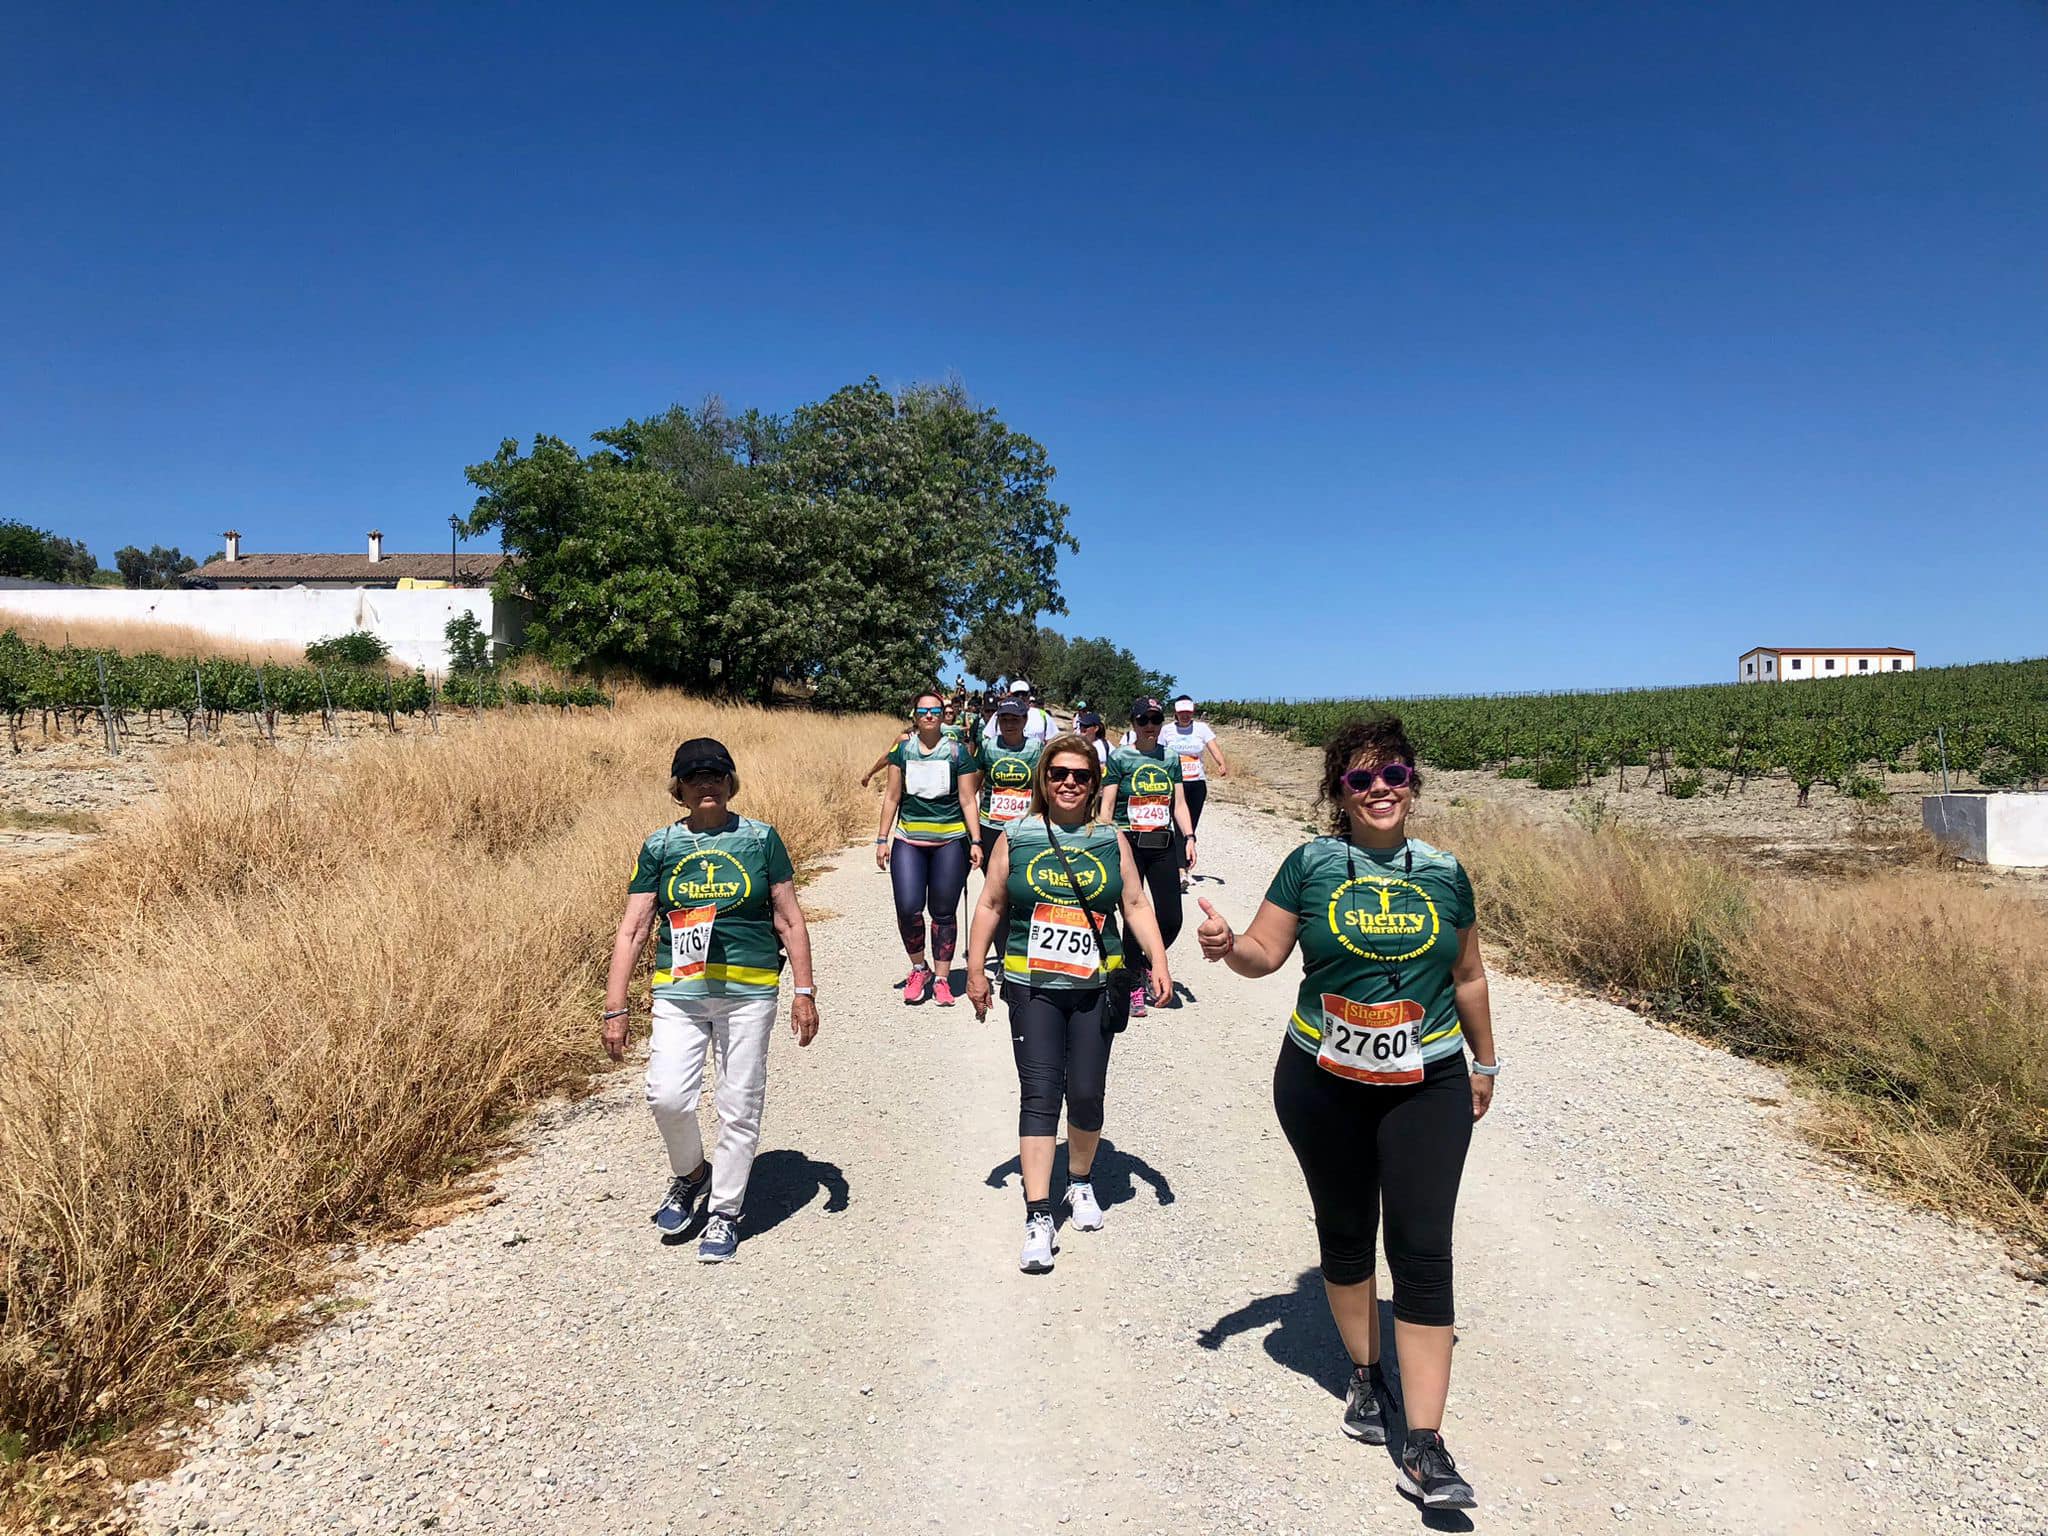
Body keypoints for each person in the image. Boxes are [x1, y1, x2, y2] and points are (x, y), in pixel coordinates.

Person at [1193, 715, 1497, 1512]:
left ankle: (1425, 1447)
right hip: (1321, 1078)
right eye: (1361, 778)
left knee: (1424, 1247)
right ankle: (1366, 1376)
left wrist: (1484, 1060)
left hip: (1427, 1080)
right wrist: (1229, 948)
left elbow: (1467, 975)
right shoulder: (1312, 865)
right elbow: (1265, 953)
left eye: (1393, 773)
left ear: (1412, 782)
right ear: (1340, 792)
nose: (1380, 789)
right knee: (1347, 1229)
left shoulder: (1444, 872)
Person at [603, 737, 821, 1264]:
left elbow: (789, 918)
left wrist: (805, 991)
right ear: (678, 789)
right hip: (678, 990)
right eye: (694, 776)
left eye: (716, 774)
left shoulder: (761, 839)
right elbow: (634, 928)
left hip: (749, 991)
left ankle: (724, 1210)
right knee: (667, 1097)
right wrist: (615, 1006)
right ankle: (691, 1173)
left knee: (737, 1103)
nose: (707, 783)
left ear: (730, 782)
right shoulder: (660, 846)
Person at [965, 735, 1172, 1273]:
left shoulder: (1112, 840)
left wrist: (1159, 960)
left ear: (1094, 781)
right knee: (1039, 1091)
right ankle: (1038, 1214)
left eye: (1081, 775)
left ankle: (1078, 1180)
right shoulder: (1017, 836)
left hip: (1094, 985)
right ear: (1043, 777)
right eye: (1059, 773)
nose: (1069, 783)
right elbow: (990, 902)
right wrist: (973, 968)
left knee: (1085, 1093)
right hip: (1030, 983)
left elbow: (1133, 902)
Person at [876, 691, 983, 1006]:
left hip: (950, 841)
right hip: (909, 841)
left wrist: (975, 840)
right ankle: (918, 968)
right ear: (914, 714)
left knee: (943, 912)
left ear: (942, 713)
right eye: (923, 710)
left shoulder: (957, 752)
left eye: (935, 709)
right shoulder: (902, 751)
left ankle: (942, 978)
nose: (929, 715)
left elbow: (967, 799)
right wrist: (882, 839)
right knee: (908, 908)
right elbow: (892, 797)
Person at [1099, 696, 1196, 1018]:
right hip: (1129, 842)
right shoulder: (1121, 758)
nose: (1150, 726)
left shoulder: (1170, 758)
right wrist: (1104, 837)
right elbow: (1108, 805)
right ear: (1134, 724)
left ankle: (1140, 964)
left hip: (1163, 841)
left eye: (1156, 720)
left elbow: (1179, 803)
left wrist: (1190, 838)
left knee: (1171, 917)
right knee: (1132, 912)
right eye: (1144, 721)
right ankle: (1133, 984)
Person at [977, 697, 1044, 868]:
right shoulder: (987, 747)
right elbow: (970, 789)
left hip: (1026, 825)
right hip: (991, 825)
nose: (1009, 725)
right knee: (993, 879)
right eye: (1004, 720)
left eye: (1015, 720)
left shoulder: (1037, 748)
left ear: (1025, 720)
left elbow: (1045, 789)